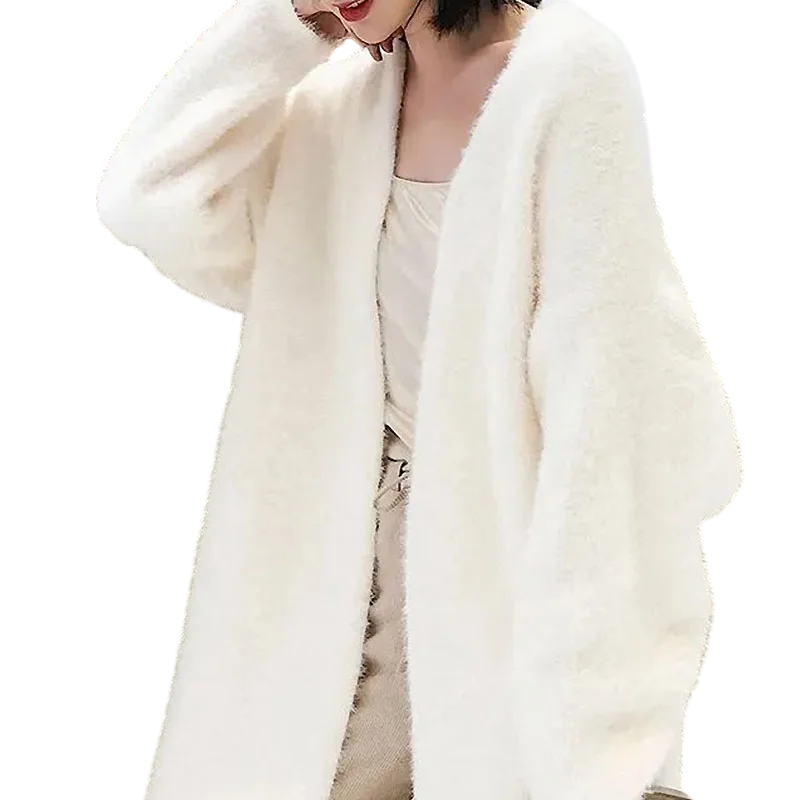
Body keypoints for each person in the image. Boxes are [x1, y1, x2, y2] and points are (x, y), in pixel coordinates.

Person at [95, 2, 741, 800]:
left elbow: (610, 404)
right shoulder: (336, 113)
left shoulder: (564, 74)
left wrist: (604, 722)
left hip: (492, 564)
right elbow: (145, 196)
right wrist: (283, 30)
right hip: (322, 566)